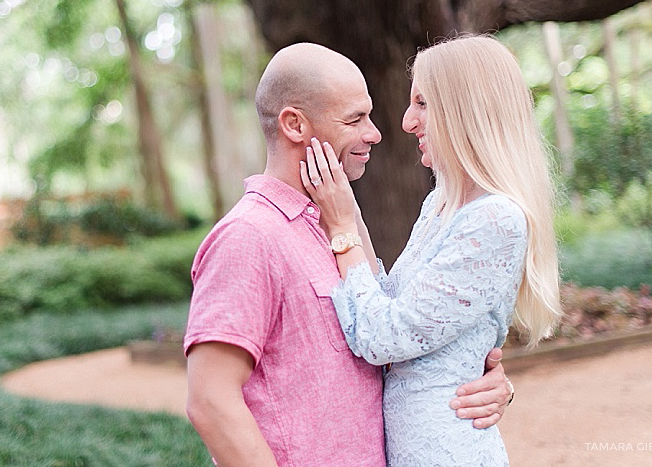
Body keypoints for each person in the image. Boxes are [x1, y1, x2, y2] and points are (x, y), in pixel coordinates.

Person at [184, 42, 514, 467]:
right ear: (294, 125)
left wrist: (481, 379)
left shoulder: (334, 229)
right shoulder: (249, 237)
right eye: (355, 119)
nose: (375, 133)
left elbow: (391, 336)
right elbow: (210, 401)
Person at [300, 34, 562, 466]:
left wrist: (342, 226)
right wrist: (348, 210)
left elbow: (383, 337)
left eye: (422, 103)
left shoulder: (495, 219)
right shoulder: (441, 204)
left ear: (467, 111)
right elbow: (387, 304)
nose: (406, 121)